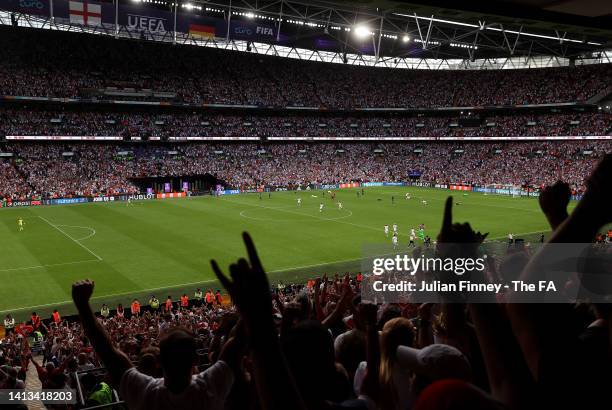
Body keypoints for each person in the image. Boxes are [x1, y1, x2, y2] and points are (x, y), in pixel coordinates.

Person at [71, 279, 241, 410]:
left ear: (160, 360)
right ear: (195, 360)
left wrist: (82, 304)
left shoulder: (146, 393)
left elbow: (108, 353)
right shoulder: (211, 388)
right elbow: (237, 344)